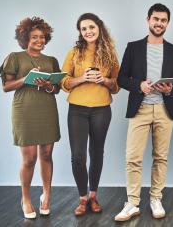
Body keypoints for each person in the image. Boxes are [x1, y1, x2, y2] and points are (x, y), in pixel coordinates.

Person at [114, 3, 173, 222]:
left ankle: (156, 198)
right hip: (140, 109)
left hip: (165, 110)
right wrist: (139, 86)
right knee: (133, 158)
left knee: (160, 158)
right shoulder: (133, 47)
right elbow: (121, 78)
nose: (159, 23)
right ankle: (133, 203)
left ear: (167, 23)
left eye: (163, 20)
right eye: (156, 19)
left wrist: (171, 88)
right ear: (148, 20)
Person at [0, 16, 61, 219]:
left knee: (47, 154)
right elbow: (6, 86)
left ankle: (47, 195)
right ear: (25, 38)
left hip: (47, 108)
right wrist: (26, 79)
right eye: (34, 37)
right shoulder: (15, 57)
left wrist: (48, 85)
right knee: (30, 158)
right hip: (24, 110)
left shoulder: (51, 61)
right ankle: (25, 197)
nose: (39, 41)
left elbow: (57, 89)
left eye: (42, 37)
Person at [59, 13, 120, 216]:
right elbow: (63, 82)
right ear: (80, 32)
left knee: (96, 153)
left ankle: (93, 196)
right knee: (77, 156)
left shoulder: (110, 53)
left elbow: (116, 85)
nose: (88, 31)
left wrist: (104, 80)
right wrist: (81, 78)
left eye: (91, 27)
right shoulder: (74, 53)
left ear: (99, 28)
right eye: (84, 29)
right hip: (77, 109)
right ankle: (82, 197)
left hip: (101, 109)